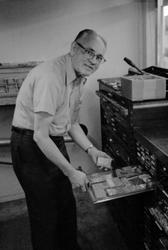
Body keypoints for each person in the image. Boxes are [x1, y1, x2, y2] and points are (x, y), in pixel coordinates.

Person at [10, 29, 111, 250]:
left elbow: (72, 124)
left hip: (51, 141)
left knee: (66, 204)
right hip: (30, 144)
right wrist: (70, 171)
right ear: (74, 48)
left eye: (99, 57)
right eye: (89, 52)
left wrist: (91, 150)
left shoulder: (79, 79)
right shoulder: (51, 77)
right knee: (45, 213)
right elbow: (40, 135)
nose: (94, 61)